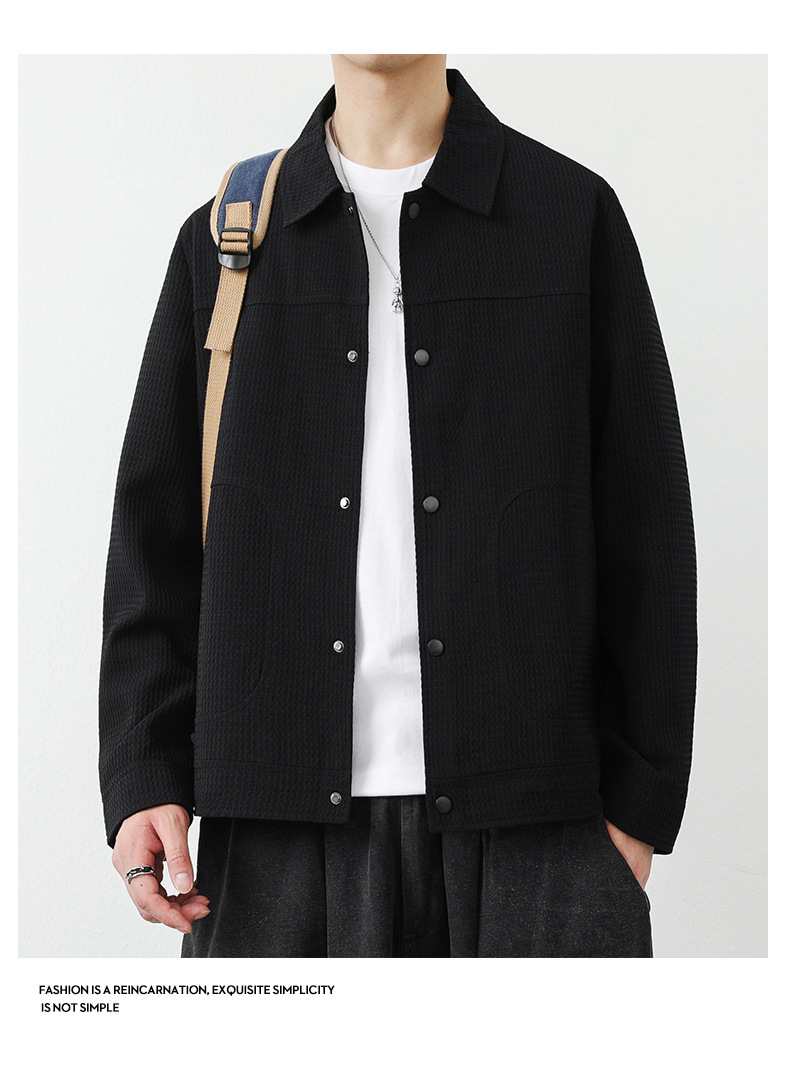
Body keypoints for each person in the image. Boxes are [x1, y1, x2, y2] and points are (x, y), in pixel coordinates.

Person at [98, 54, 697, 957]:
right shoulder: (228, 240)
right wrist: (145, 771)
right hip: (274, 829)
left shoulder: (569, 216)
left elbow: (648, 524)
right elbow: (155, 537)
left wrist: (637, 810)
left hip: (542, 820)